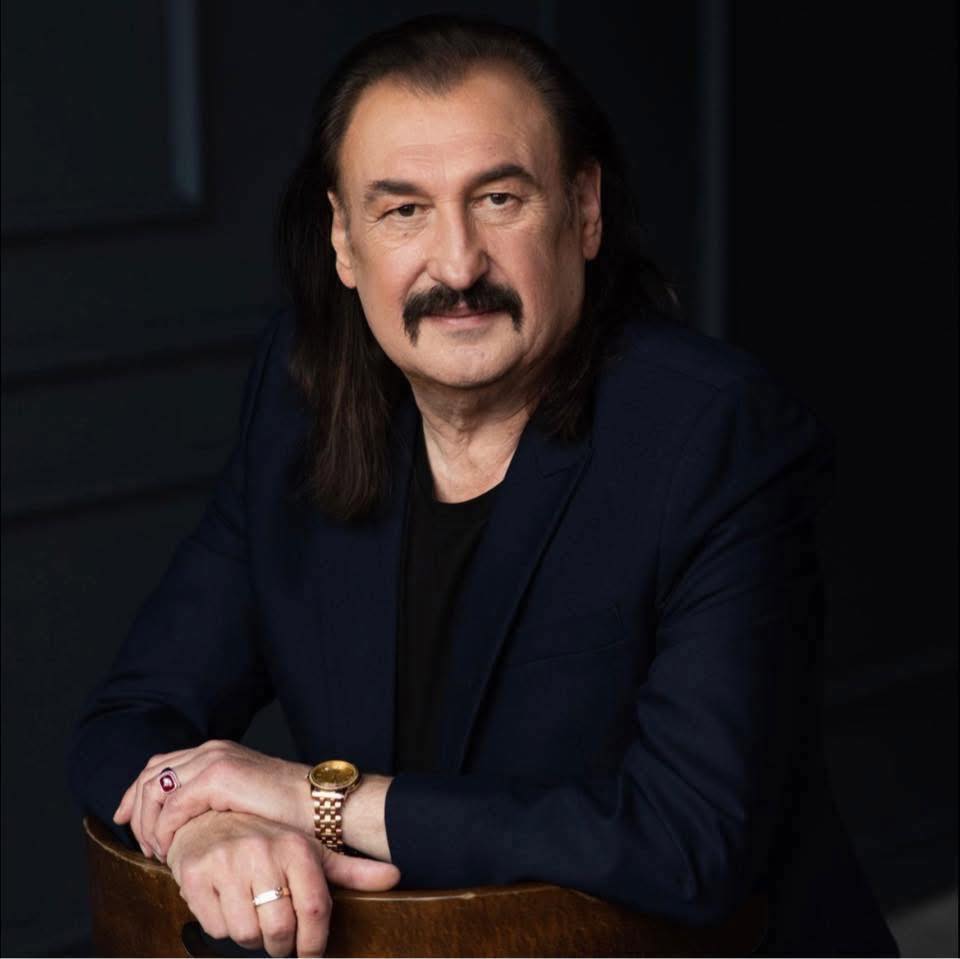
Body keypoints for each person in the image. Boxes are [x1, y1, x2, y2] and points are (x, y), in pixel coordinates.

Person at [69, 14, 897, 958]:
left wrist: (313, 800)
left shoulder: (715, 433)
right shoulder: (304, 401)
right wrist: (205, 821)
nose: (458, 266)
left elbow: (686, 842)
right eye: (403, 210)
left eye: (500, 199)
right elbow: (127, 719)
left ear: (585, 210)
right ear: (343, 240)